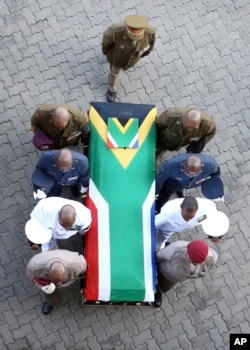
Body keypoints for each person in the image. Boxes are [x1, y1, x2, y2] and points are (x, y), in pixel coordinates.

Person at [102, 14, 156, 102]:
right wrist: (106, 53)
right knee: (114, 74)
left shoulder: (150, 33)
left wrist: (146, 53)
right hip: (117, 59)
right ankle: (112, 89)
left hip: (133, 59)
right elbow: (106, 44)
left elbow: (151, 44)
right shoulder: (114, 32)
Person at [154, 240, 218, 307]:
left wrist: (194, 276)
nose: (193, 263)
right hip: (164, 270)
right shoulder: (177, 248)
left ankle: (158, 292)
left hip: (172, 279)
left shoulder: (213, 257)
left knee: (164, 287)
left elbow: (204, 271)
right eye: (193, 260)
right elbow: (159, 256)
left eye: (198, 262)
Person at [155, 153, 224, 212]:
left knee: (184, 186)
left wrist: (218, 191)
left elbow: (216, 174)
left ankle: (181, 190)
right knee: (165, 194)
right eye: (188, 173)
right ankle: (159, 205)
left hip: (191, 184)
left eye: (194, 174)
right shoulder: (171, 165)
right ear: (184, 165)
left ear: (201, 167)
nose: (191, 176)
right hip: (174, 182)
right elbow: (160, 179)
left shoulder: (210, 164)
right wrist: (155, 192)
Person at [27, 249, 87, 314]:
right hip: (47, 277)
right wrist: (42, 285)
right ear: (47, 273)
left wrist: (68, 281)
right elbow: (32, 278)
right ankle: (50, 303)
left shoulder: (78, 264)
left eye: (59, 281)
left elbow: (82, 272)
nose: (58, 284)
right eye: (55, 281)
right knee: (49, 293)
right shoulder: (34, 266)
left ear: (66, 272)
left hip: (67, 258)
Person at [25, 197, 92, 253]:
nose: (65, 228)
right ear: (59, 214)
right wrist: (35, 242)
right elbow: (35, 223)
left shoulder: (84, 216)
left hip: (59, 233)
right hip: (48, 231)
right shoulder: (44, 208)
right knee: (48, 248)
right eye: (63, 225)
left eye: (68, 226)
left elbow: (83, 228)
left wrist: (80, 232)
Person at [155, 197, 224, 249]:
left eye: (191, 217)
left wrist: (214, 234)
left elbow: (213, 220)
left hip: (180, 227)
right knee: (158, 244)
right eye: (185, 217)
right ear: (181, 208)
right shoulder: (168, 211)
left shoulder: (208, 209)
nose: (187, 220)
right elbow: (154, 224)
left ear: (197, 210)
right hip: (167, 229)